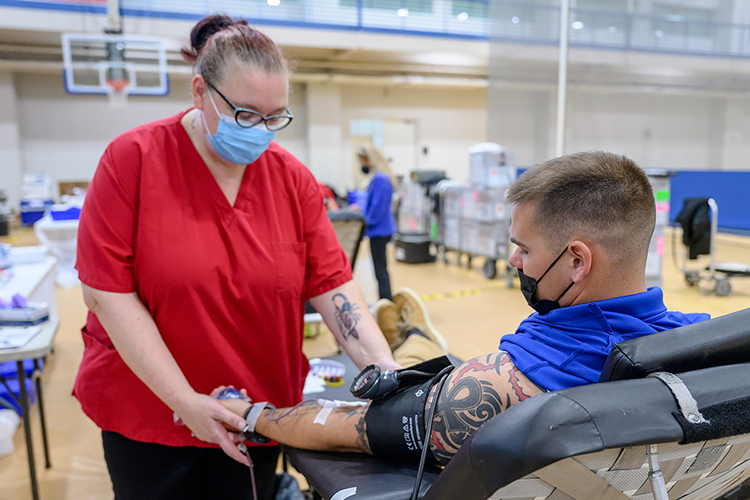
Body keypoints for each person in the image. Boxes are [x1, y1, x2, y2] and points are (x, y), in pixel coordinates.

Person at [73, 15, 399, 500]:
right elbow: (108, 294)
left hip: (259, 410)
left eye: (275, 117)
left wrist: (385, 370)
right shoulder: (133, 160)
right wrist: (184, 400)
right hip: (150, 412)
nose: (261, 131)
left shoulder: (291, 179)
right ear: (200, 91)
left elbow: (333, 285)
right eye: (246, 115)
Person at [216, 151, 710, 467]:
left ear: (577, 261)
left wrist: (252, 413)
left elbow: (345, 425)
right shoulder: (703, 344)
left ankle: (413, 342)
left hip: (455, 408)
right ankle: (413, 341)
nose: (513, 260)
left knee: (410, 377)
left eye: (524, 249)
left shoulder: (499, 386)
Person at [356, 144, 397, 301]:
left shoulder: (380, 179)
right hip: (380, 230)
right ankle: (385, 299)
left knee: (380, 269)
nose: (362, 166)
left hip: (379, 231)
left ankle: (386, 300)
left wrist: (364, 221)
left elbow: (377, 208)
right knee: (381, 268)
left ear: (370, 160)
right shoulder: (381, 178)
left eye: (363, 162)